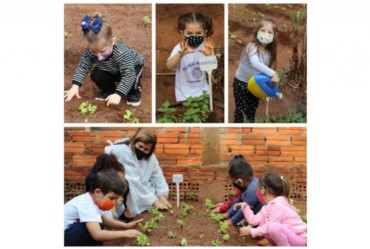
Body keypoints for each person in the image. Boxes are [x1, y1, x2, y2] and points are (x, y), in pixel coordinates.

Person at [64, 13, 145, 107]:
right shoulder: (91, 51)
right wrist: (75, 86)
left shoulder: (122, 53)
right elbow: (83, 66)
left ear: (113, 41)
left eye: (103, 51)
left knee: (133, 77)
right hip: (111, 67)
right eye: (95, 53)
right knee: (96, 75)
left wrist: (118, 94)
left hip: (133, 66)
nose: (99, 57)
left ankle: (134, 91)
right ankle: (109, 90)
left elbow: (129, 75)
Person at [64, 170, 143, 246]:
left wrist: (126, 226)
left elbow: (105, 220)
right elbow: (97, 234)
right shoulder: (87, 205)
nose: (113, 202)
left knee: (98, 223)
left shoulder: (93, 200)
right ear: (97, 192)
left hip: (70, 234)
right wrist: (125, 233)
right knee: (90, 227)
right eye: (111, 198)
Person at [105, 129, 171, 217]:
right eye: (140, 147)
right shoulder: (125, 153)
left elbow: (157, 176)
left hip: (144, 189)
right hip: (124, 186)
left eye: (146, 149)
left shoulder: (151, 158)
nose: (142, 150)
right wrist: (155, 201)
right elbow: (134, 181)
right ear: (134, 142)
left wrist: (162, 196)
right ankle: (122, 214)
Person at [234, 172, 307, 246]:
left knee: (273, 227)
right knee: (266, 225)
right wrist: (246, 207)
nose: (257, 192)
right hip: (289, 239)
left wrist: (251, 231)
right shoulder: (267, 207)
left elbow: (269, 226)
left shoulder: (278, 205)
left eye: (258, 189)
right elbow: (254, 221)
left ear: (262, 190)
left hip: (299, 240)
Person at [233, 18, 279, 123]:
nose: (265, 33)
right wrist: (273, 73)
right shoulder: (252, 47)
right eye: (263, 30)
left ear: (274, 36)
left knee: (252, 109)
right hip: (242, 83)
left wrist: (268, 88)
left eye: (269, 32)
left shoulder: (269, 53)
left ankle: (249, 128)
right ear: (257, 31)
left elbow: (264, 71)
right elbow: (256, 63)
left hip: (255, 85)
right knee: (241, 110)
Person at [166, 12, 215, 102]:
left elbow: (212, 68)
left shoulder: (206, 47)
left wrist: (209, 54)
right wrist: (180, 55)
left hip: (203, 91)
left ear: (205, 32)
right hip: (184, 94)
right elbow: (169, 66)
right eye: (189, 33)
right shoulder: (180, 48)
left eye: (198, 33)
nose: (194, 36)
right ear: (182, 33)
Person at [85, 153, 130, 221]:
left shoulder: (116, 177)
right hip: (101, 205)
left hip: (111, 206)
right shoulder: (96, 178)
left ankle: (114, 220)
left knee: (121, 207)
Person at [223, 155, 263, 226]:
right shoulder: (247, 184)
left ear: (239, 181)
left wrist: (231, 222)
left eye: (233, 180)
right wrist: (227, 214)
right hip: (254, 213)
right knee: (232, 204)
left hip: (261, 219)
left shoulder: (252, 190)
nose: (233, 183)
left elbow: (243, 210)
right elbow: (239, 201)